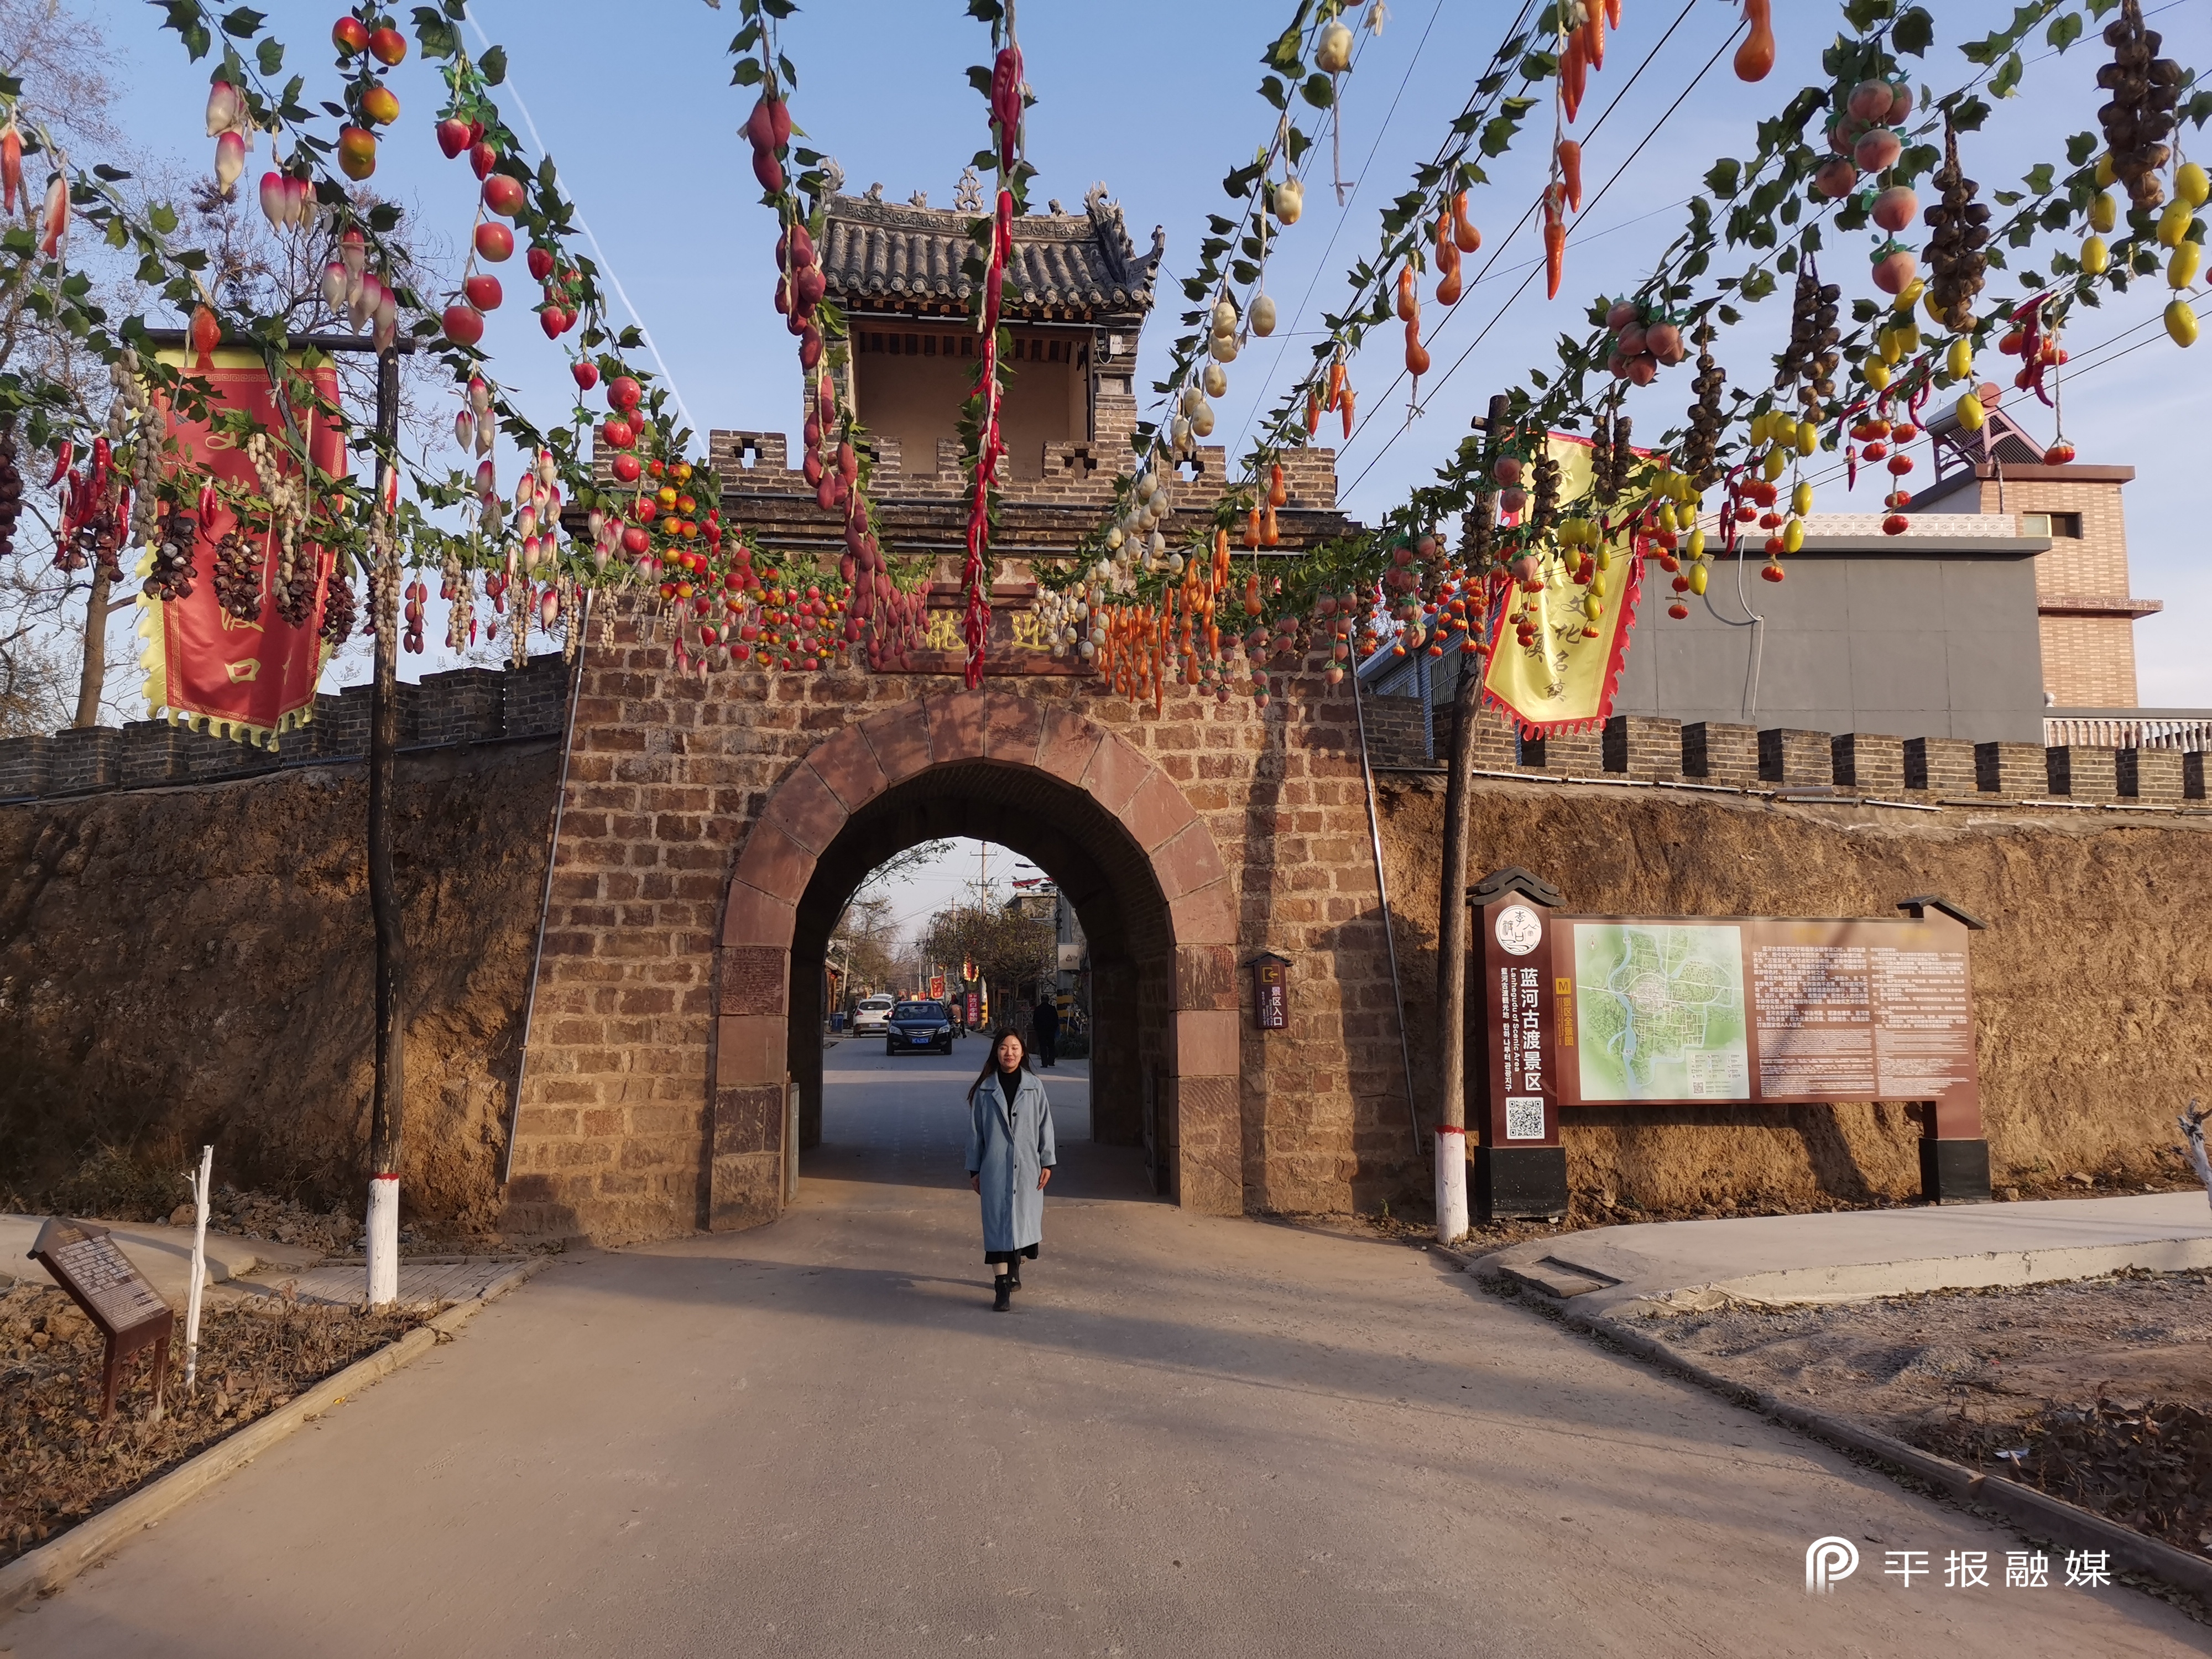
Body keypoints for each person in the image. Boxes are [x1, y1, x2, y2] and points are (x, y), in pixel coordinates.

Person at [966, 1029, 1055, 1312]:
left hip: (1028, 1167)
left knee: (1020, 1220)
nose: (1010, 1053)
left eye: (1015, 1048)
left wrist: (1047, 1161)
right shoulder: (984, 1090)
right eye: (1004, 1048)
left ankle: (1015, 1264)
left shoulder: (1034, 1087)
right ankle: (1001, 1285)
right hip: (994, 1167)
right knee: (997, 1224)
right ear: (996, 1052)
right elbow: (975, 1133)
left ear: (1023, 1052)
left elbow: (1045, 1125)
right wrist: (974, 1169)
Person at [1030, 994, 1061, 1070]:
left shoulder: (1038, 1009)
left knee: (1043, 1046)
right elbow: (1056, 1020)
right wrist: (1054, 1029)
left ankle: (1044, 1063)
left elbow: (1035, 1021)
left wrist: (1037, 1029)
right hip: (1051, 1031)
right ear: (1048, 1000)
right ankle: (1051, 1061)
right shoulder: (1052, 1009)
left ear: (1041, 1000)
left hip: (1041, 1031)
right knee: (1051, 1046)